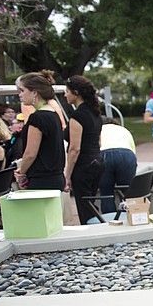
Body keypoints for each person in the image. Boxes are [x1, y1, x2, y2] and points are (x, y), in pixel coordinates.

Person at [14, 71, 66, 190]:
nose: (20, 95)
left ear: (34, 92)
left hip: (42, 179)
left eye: (22, 90)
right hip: (55, 176)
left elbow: (30, 153)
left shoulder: (37, 117)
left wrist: (22, 172)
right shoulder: (53, 114)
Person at [63, 75, 103, 224]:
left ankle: (93, 236)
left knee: (85, 207)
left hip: (84, 165)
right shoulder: (95, 113)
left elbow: (74, 148)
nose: (65, 95)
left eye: (67, 91)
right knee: (90, 204)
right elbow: (98, 142)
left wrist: (67, 175)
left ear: (76, 93)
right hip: (97, 161)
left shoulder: (78, 116)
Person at [98, 118, 137, 214]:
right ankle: (129, 218)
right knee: (128, 192)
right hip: (126, 153)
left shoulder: (97, 129)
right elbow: (133, 152)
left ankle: (110, 222)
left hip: (103, 154)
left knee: (106, 193)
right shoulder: (123, 130)